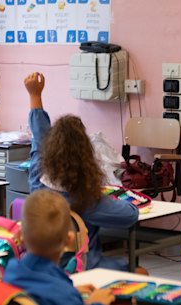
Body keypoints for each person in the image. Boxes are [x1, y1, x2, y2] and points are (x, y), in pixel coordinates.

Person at [24, 72, 140, 271]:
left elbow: (39, 136)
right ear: (85, 158)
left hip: (43, 267)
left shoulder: (38, 176)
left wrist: (35, 95)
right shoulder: (84, 200)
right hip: (82, 268)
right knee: (139, 271)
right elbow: (130, 215)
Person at [3, 189, 115, 305]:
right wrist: (96, 302)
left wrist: (71, 289)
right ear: (69, 240)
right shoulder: (64, 295)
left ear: (20, 235)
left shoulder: (12, 272)